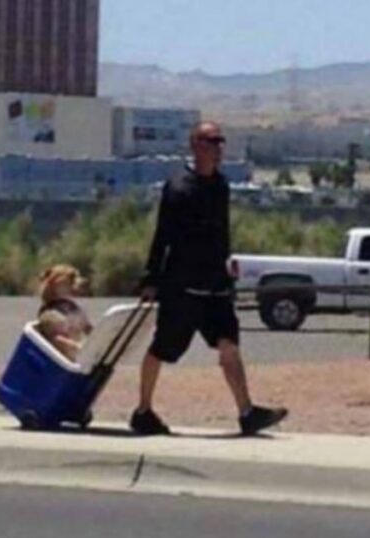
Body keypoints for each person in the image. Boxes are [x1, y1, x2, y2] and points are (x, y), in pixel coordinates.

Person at [130, 120, 288, 436]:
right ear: (195, 145)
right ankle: (143, 411)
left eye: (220, 141)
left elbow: (222, 232)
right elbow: (163, 236)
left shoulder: (221, 186)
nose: (218, 148)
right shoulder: (178, 188)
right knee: (163, 348)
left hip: (215, 285)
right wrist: (151, 278)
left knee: (228, 343)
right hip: (182, 287)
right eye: (211, 141)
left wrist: (227, 266)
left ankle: (247, 412)